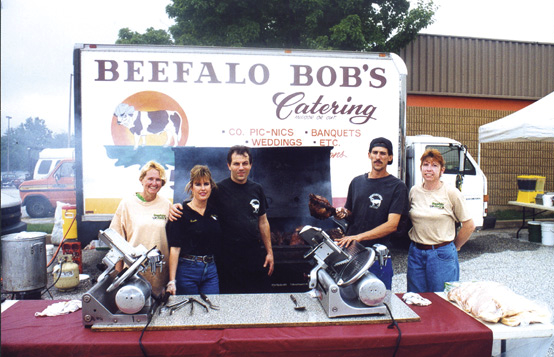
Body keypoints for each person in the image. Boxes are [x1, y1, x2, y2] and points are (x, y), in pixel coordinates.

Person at [170, 145, 274, 294]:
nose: (241, 167)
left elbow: (263, 222)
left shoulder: (257, 189)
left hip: (253, 254)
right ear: (229, 165)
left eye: (245, 163)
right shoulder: (218, 190)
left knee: (260, 299)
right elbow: (197, 203)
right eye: (236, 163)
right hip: (227, 258)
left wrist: (269, 252)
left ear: (251, 165)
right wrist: (176, 207)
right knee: (229, 304)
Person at [335, 137, 409, 290]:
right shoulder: (357, 182)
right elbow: (351, 211)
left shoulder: (397, 187)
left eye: (383, 153)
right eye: (375, 152)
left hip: (377, 257)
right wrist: (343, 213)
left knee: (376, 301)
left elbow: (391, 225)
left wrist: (358, 237)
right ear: (369, 155)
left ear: (390, 158)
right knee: (348, 298)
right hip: (352, 253)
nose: (378, 157)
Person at [407, 148, 475, 293]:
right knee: (415, 298)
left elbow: (469, 225)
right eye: (426, 164)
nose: (429, 169)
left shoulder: (451, 193)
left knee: (442, 300)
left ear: (442, 170)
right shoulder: (414, 191)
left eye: (434, 165)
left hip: (441, 254)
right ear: (420, 168)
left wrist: (453, 247)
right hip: (416, 253)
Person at [109, 160, 171, 296]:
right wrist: (119, 275)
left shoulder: (166, 205)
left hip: (159, 275)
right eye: (150, 179)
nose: (154, 183)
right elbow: (116, 242)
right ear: (142, 180)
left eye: (158, 180)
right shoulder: (127, 204)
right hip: (133, 274)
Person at [165, 165, 222, 295]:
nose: (202, 188)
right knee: (190, 311)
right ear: (191, 187)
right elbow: (174, 249)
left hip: (211, 270)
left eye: (206, 184)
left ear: (211, 186)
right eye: (198, 184)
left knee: (212, 310)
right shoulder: (180, 213)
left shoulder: (215, 211)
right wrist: (172, 281)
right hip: (187, 271)